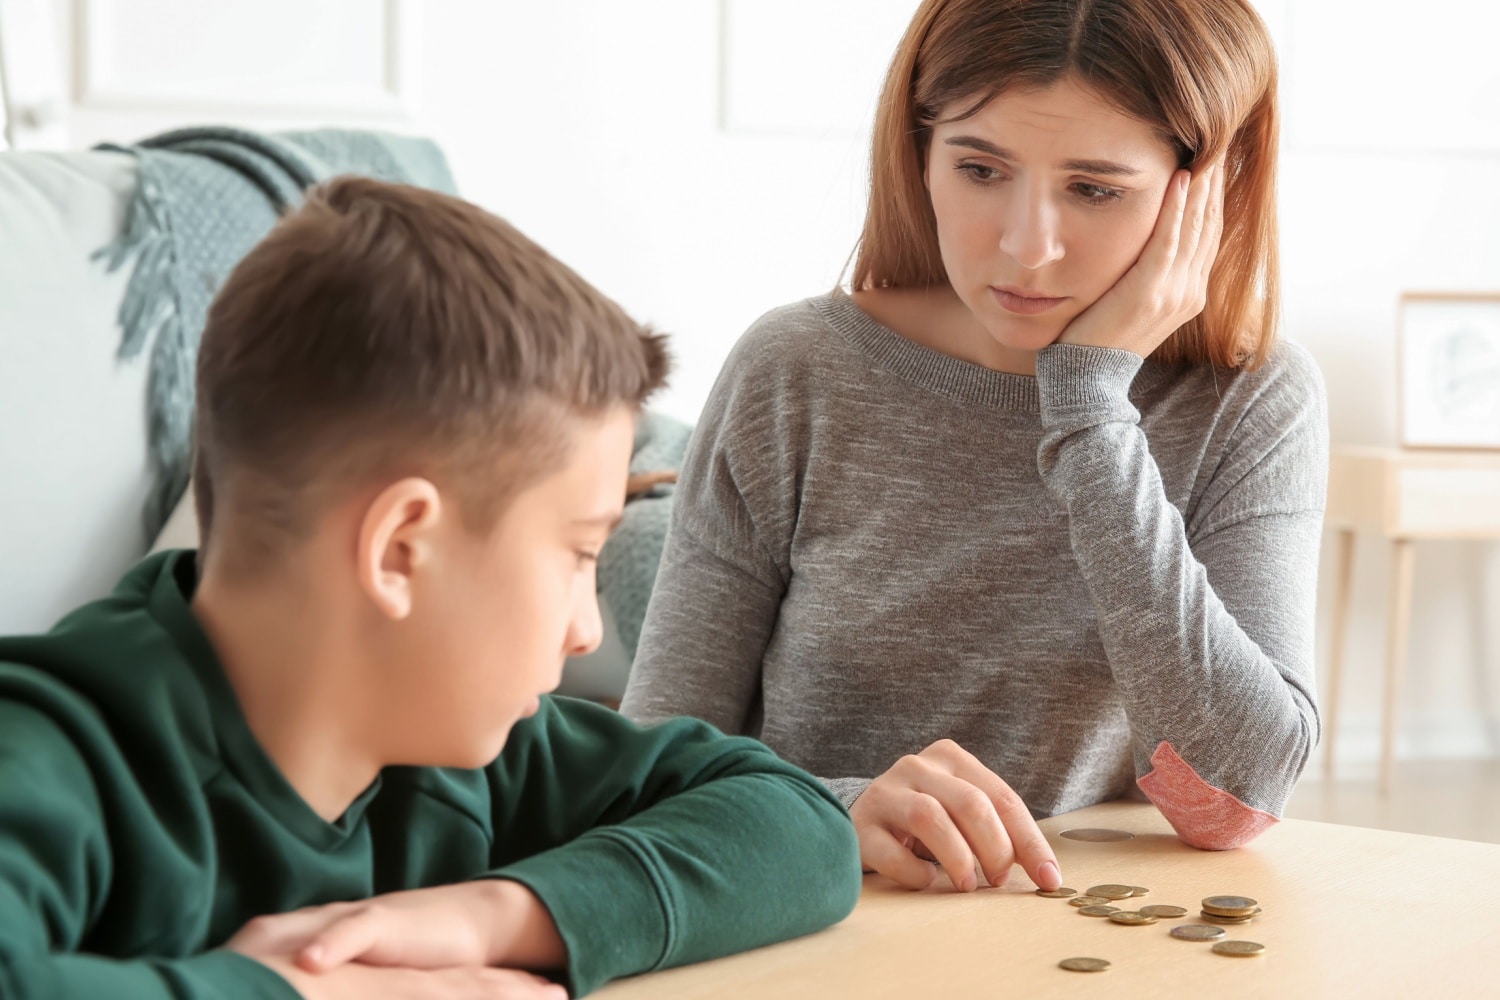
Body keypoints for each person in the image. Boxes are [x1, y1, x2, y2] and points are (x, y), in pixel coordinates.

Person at [0, 177, 862, 999]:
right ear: (401, 552)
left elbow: (795, 823)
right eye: (577, 553)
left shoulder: (453, 745)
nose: (585, 632)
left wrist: (492, 917)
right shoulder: (48, 752)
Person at [622, 0, 1326, 894]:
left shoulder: (1252, 399)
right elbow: (640, 771)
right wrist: (839, 807)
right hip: (816, 922)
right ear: (920, 153)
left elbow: (1240, 797)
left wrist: (1090, 408)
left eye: (1096, 188)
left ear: (1210, 187)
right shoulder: (796, 366)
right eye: (981, 168)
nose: (1028, 247)